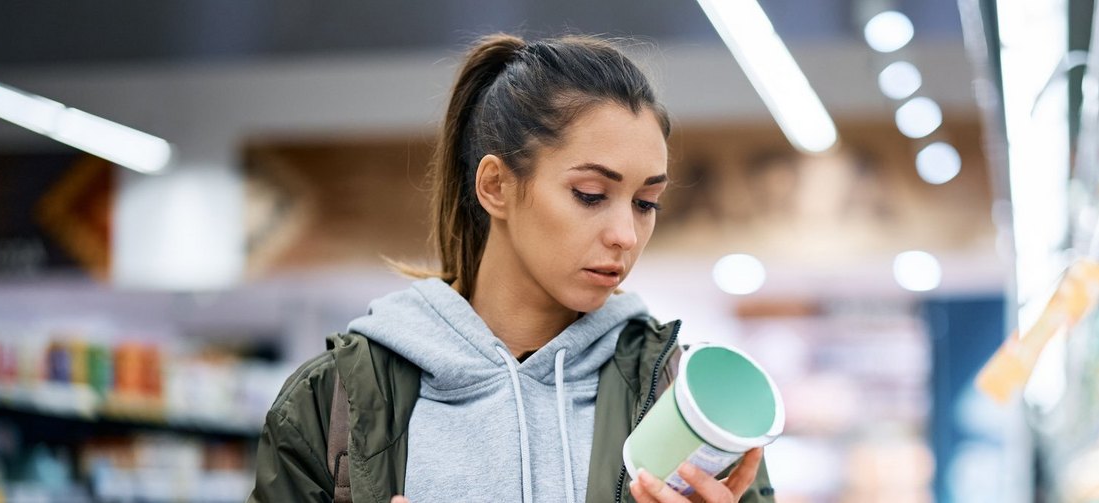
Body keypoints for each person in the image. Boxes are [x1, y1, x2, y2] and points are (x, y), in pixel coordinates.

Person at [247, 33, 773, 503]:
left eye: (646, 202)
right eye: (590, 195)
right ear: (496, 186)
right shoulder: (332, 401)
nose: (626, 234)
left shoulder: (689, 406)